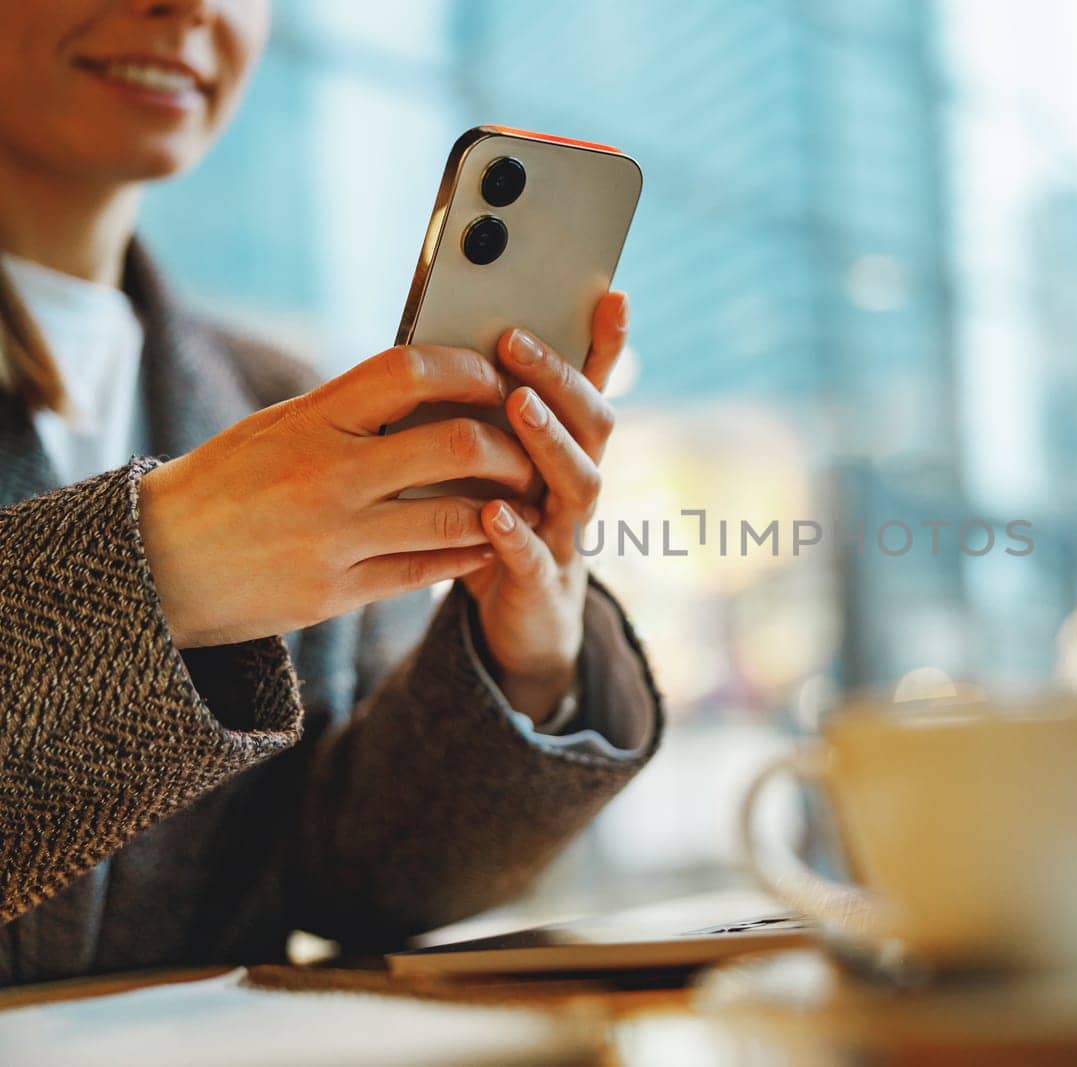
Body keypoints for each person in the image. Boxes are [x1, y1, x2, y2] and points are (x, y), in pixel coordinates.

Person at [0, 0, 661, 985]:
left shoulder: (269, 399)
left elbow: (353, 881)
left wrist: (525, 662)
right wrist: (160, 568)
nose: (186, 8)